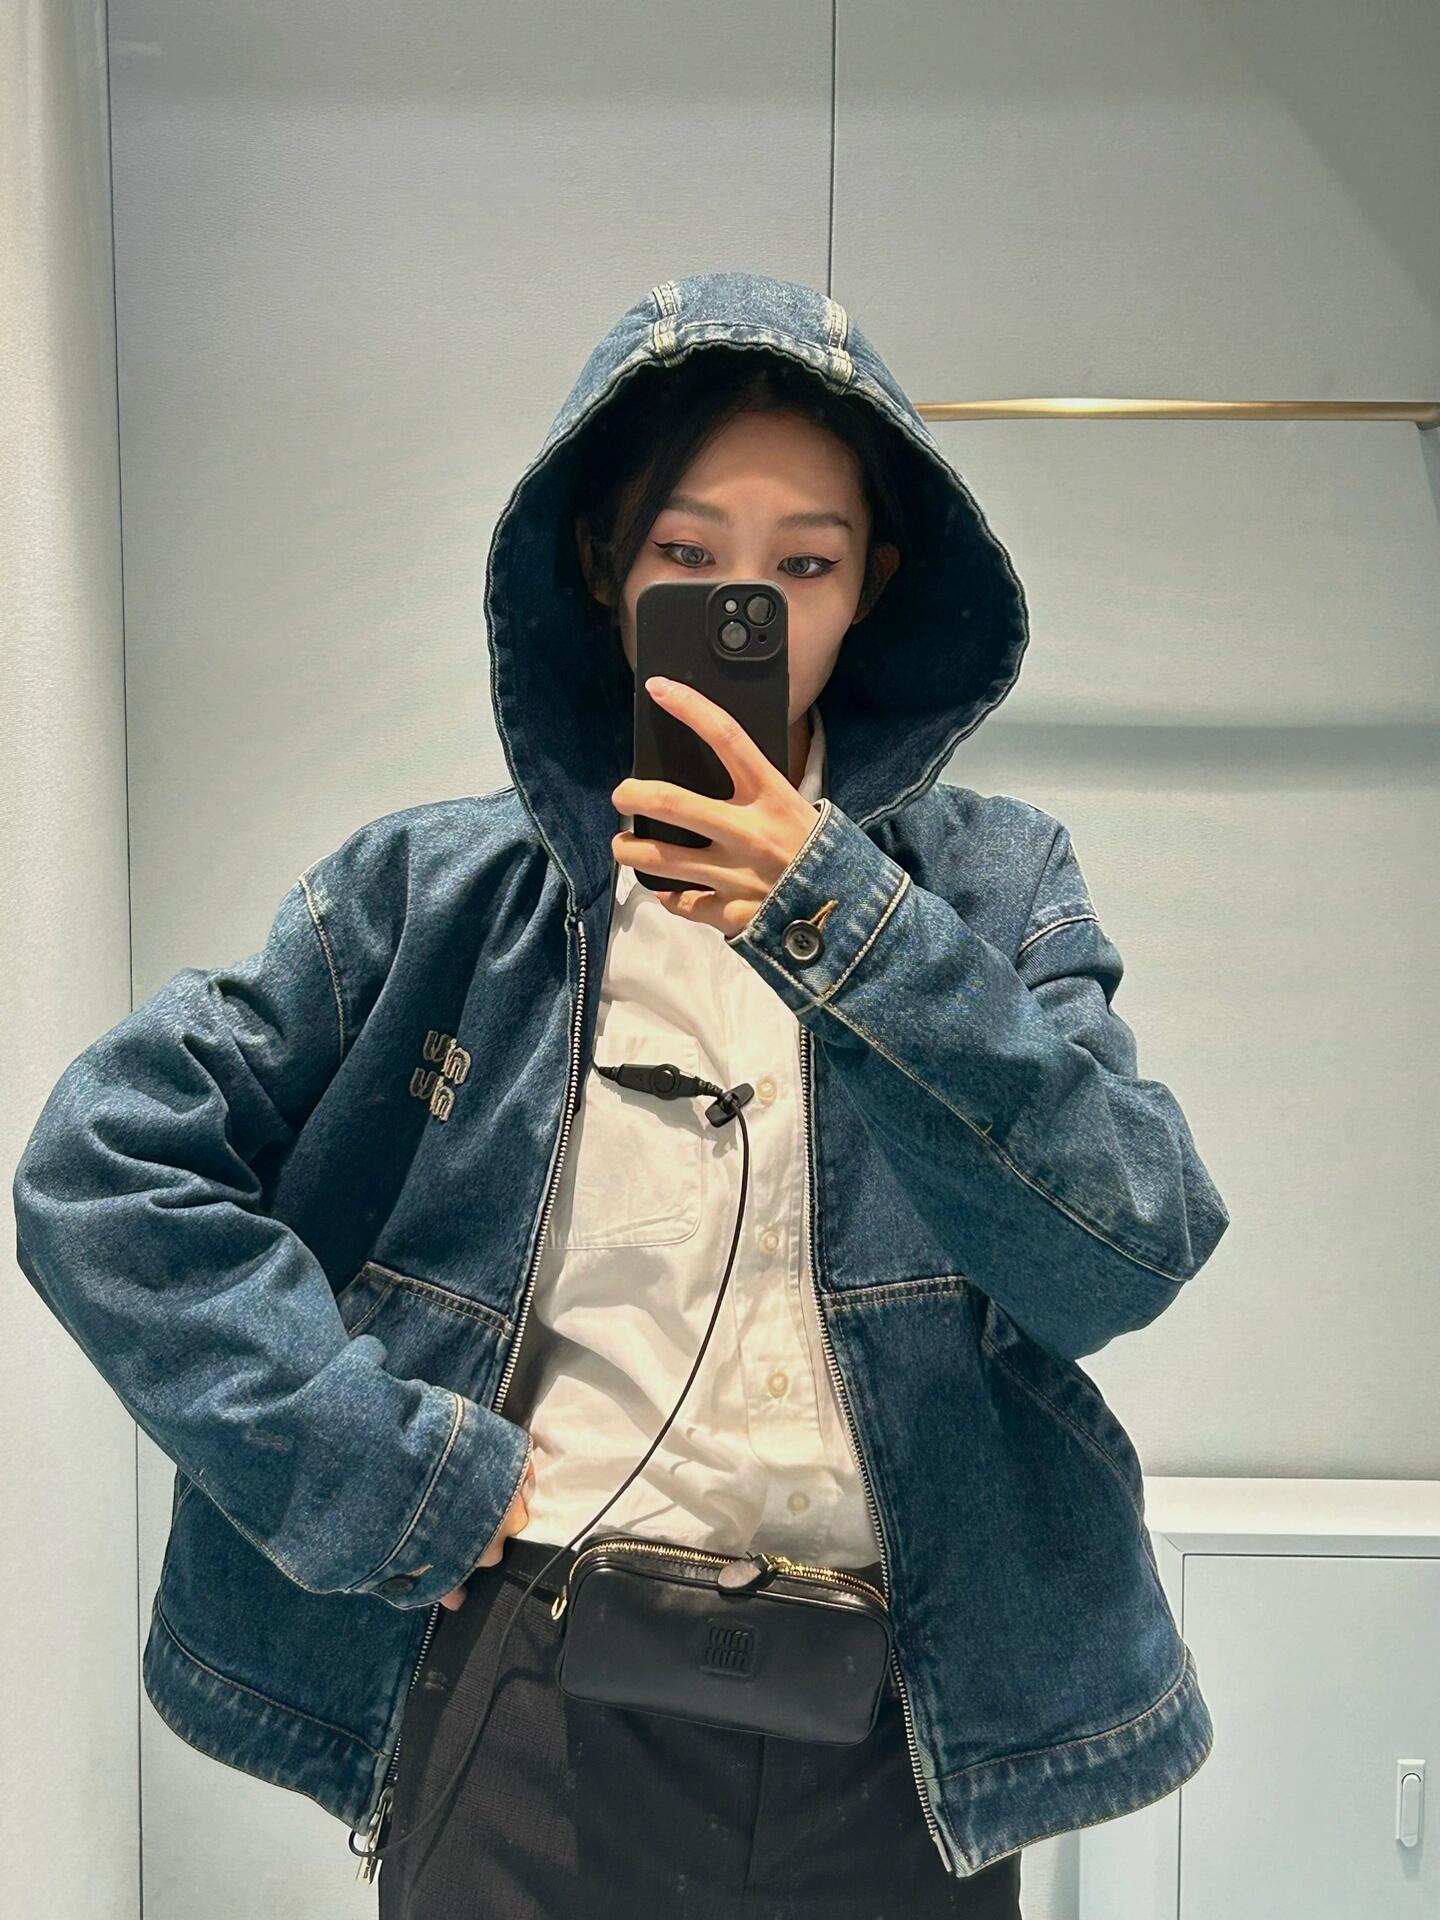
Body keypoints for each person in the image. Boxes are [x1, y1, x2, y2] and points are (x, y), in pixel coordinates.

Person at [13, 273, 1230, 1915]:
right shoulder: (431, 896)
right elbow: (99, 1170)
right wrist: (379, 1469)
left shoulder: (990, 891)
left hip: (902, 1729)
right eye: (688, 557)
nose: (748, 606)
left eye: (806, 564)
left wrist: (838, 917)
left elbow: (1125, 1250)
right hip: (528, 1694)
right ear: (602, 567)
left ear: (876, 585)